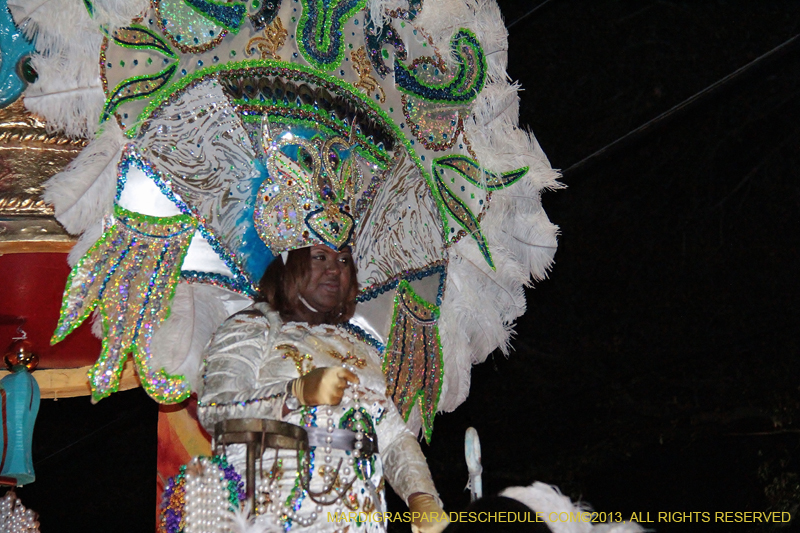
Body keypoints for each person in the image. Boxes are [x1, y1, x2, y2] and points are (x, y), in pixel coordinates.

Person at [198, 245, 448, 533]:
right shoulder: (252, 326)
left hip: (361, 516)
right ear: (289, 265)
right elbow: (215, 409)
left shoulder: (362, 350)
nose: (335, 269)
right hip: (276, 509)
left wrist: (421, 496)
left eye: (343, 260)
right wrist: (294, 393)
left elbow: (392, 436)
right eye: (320, 257)